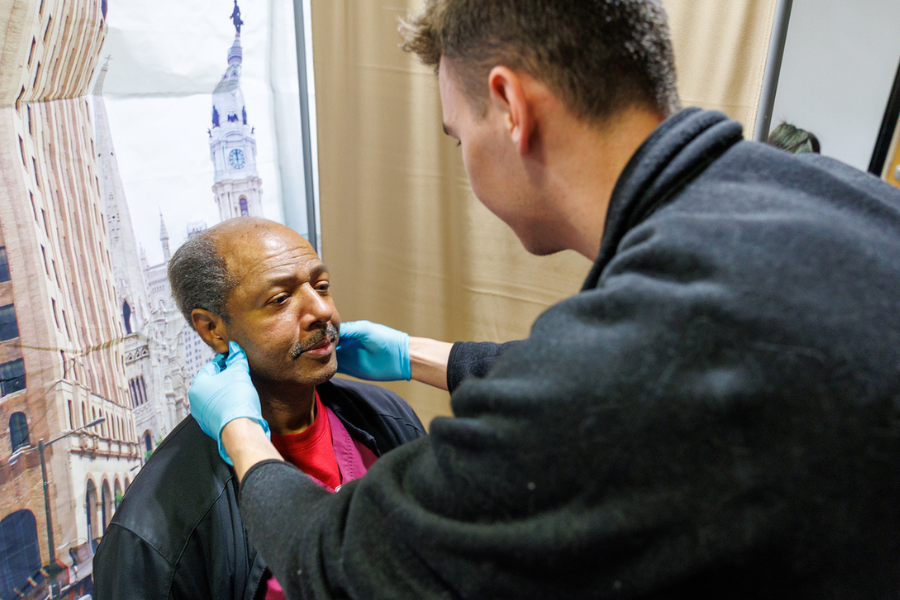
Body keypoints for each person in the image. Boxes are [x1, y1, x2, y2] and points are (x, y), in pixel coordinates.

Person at [189, 1, 900, 598]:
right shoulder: (824, 197)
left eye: (458, 135)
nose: (316, 312)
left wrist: (243, 436)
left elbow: (337, 562)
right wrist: (421, 356)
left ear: (509, 106)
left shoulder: (628, 357)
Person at [92, 218, 425, 600]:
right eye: (280, 300)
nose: (321, 311)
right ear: (212, 329)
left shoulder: (389, 419)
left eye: (322, 287)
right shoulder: (152, 531)